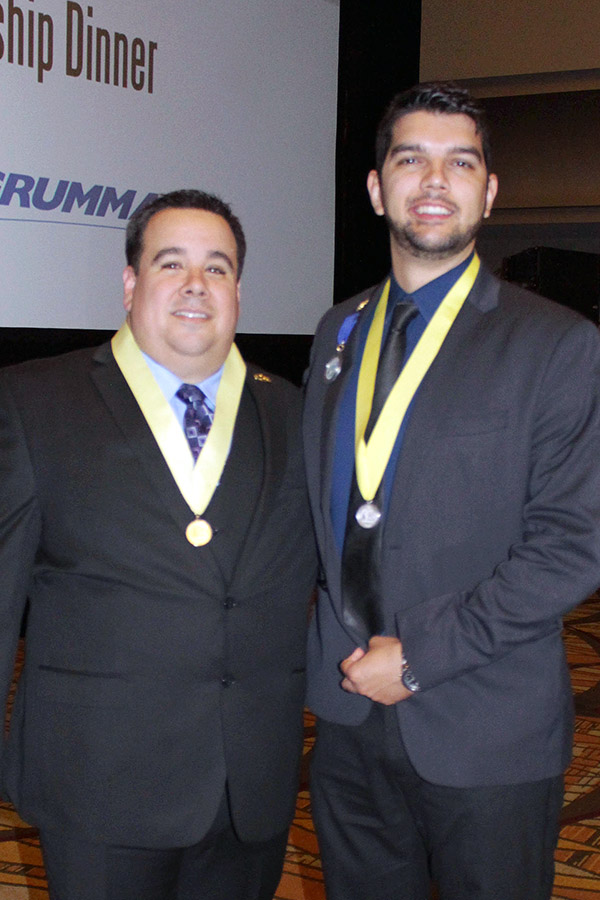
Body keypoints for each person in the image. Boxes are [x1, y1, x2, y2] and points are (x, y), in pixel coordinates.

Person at [302, 83, 600, 900]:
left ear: (489, 190)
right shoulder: (339, 330)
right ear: (376, 188)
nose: (434, 180)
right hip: (347, 713)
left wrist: (423, 656)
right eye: (410, 159)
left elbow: (575, 544)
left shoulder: (557, 345)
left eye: (459, 162)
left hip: (484, 724)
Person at [0, 189, 316, 900]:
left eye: (218, 267)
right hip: (99, 782)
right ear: (131, 282)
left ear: (239, 289)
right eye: (171, 263)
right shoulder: (33, 402)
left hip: (250, 789)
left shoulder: (295, 413)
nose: (196, 286)